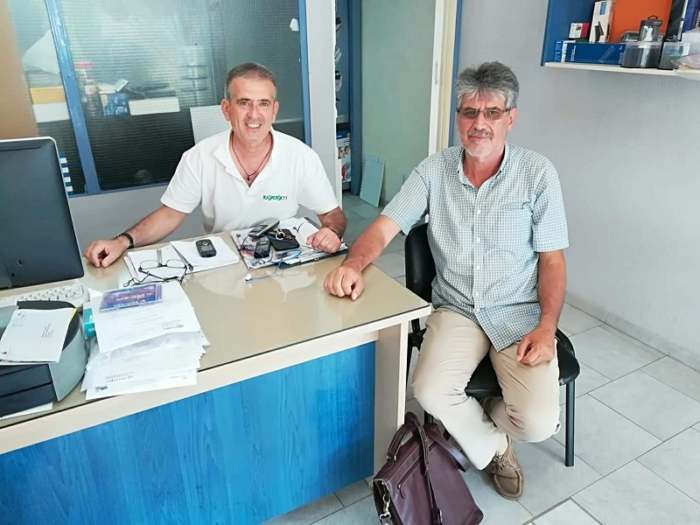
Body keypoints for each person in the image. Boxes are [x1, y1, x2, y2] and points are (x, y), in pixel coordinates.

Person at [324, 62, 568, 499]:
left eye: (492, 113)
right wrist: (353, 264)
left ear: (511, 118)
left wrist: (548, 326)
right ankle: (496, 447)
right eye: (469, 112)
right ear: (457, 117)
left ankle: (486, 416)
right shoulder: (434, 170)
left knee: (538, 423)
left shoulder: (537, 174)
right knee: (429, 390)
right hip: (457, 308)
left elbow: (552, 259)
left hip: (518, 311)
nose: (479, 124)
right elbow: (384, 227)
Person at [85, 62, 345, 267]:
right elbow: (170, 214)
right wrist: (122, 241)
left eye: (263, 104)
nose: (254, 115)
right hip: (225, 265)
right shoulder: (199, 157)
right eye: (244, 103)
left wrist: (331, 232)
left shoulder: (301, 156)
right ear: (226, 109)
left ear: (274, 111)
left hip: (283, 263)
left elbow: (332, 215)